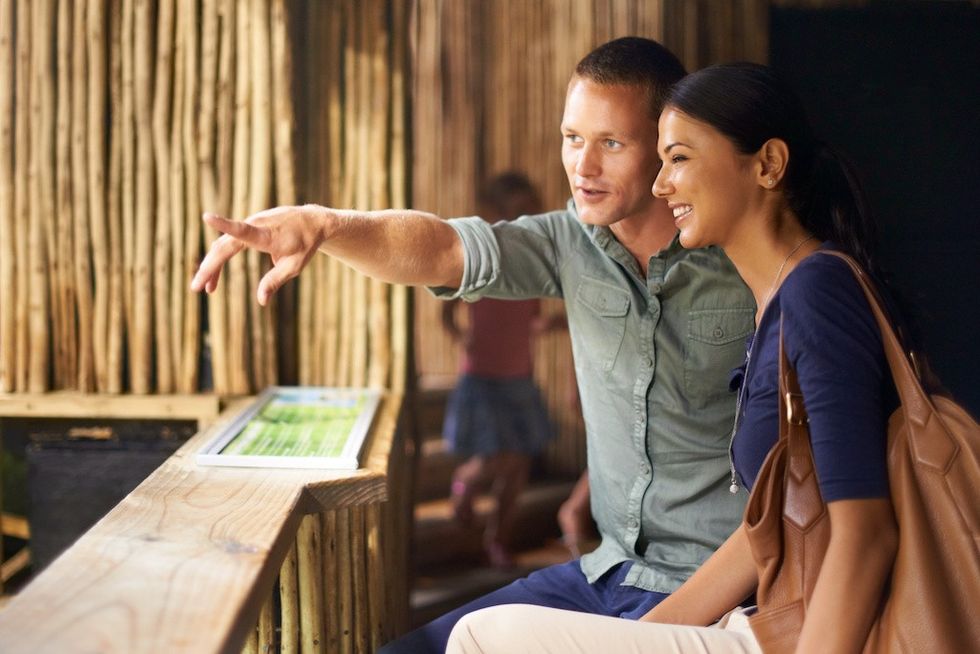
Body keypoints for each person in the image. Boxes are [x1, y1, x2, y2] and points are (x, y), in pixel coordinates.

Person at [191, 38, 755, 654]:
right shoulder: (566, 243)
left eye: (611, 143)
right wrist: (327, 225)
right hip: (605, 572)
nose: (583, 166)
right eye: (572, 138)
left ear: (668, 146)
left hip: (725, 591)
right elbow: (440, 248)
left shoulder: (748, 261)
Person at [446, 62, 899, 654]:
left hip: (788, 629)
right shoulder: (776, 301)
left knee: (482, 635)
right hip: (748, 611)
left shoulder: (816, 291)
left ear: (767, 165)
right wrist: (634, 639)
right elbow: (759, 535)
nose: (662, 185)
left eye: (679, 158)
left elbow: (865, 536)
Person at [439, 172, 557, 569]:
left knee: (519, 463)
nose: (526, 216)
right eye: (516, 209)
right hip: (484, 377)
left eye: (530, 208)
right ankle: (465, 484)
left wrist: (561, 323)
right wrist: (461, 335)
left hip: (518, 378)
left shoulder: (536, 265)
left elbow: (532, 320)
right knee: (494, 459)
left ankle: (498, 537)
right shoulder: (480, 261)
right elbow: (446, 308)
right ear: (494, 213)